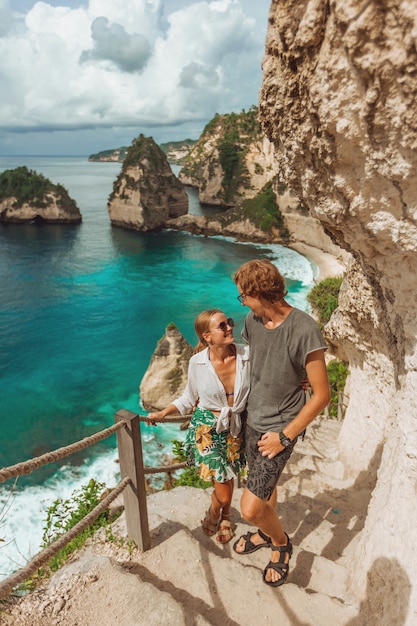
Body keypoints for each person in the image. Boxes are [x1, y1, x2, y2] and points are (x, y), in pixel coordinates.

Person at [232, 259, 330, 587]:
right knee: (266, 492)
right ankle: (266, 531)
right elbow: (257, 364)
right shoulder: (252, 321)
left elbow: (321, 395)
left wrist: (284, 437)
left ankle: (280, 543)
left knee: (249, 508)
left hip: (280, 430)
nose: (242, 302)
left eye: (243, 296)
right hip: (252, 419)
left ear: (260, 293)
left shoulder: (304, 329)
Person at [147, 309, 250, 544]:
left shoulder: (247, 355)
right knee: (223, 489)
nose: (229, 328)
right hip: (206, 430)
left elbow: (272, 372)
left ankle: (225, 516)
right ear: (207, 336)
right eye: (222, 326)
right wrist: (164, 412)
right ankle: (215, 512)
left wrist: (303, 378)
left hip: (234, 427)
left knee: (228, 476)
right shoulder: (197, 362)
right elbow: (188, 397)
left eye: (229, 323)